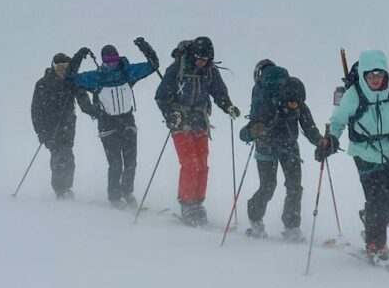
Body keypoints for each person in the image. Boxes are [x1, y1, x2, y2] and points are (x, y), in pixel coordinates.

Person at [317, 49, 389, 259]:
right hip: (364, 154)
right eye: (370, 75)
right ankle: (376, 242)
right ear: (364, 75)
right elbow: (338, 120)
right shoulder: (354, 94)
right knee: (376, 199)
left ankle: (370, 221)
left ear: (386, 72)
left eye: (379, 74)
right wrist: (331, 140)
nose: (375, 79)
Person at [155, 37, 240, 226]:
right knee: (190, 163)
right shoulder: (177, 68)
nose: (202, 62)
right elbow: (161, 96)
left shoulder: (210, 70)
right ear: (193, 56)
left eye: (206, 59)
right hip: (180, 122)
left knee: (202, 163)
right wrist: (170, 115)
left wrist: (228, 106)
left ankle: (198, 203)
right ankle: (187, 203)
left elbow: (219, 92)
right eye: (200, 59)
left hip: (200, 122)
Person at [70, 38, 159, 207]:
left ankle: (127, 192)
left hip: (127, 122)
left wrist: (144, 47)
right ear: (103, 61)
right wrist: (79, 56)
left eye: (114, 60)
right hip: (107, 124)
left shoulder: (128, 72)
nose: (112, 64)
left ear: (118, 58)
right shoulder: (96, 77)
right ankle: (114, 196)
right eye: (108, 61)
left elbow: (154, 65)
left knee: (131, 162)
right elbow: (71, 77)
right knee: (115, 164)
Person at [239, 62, 323, 241]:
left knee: (295, 187)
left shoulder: (298, 103)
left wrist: (320, 142)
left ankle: (292, 226)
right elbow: (245, 134)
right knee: (268, 187)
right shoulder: (266, 106)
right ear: (284, 98)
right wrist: (253, 132)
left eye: (298, 103)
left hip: (290, 148)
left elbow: (309, 127)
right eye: (292, 103)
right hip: (266, 148)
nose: (295, 106)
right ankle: (255, 219)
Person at [31, 53, 97, 199]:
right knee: (58, 157)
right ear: (53, 67)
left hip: (67, 126)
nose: (63, 71)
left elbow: (84, 102)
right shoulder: (43, 83)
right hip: (50, 129)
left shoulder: (71, 82)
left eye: (67, 68)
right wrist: (40, 132)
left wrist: (96, 111)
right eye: (60, 67)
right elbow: (35, 110)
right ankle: (60, 189)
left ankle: (66, 187)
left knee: (68, 157)